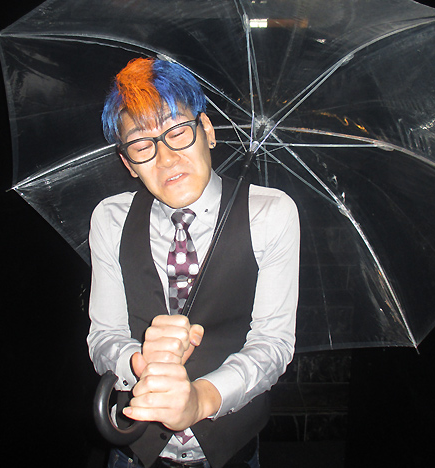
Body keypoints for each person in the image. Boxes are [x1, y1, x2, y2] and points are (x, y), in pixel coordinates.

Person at [87, 57, 300, 468]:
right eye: (142, 146)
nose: (166, 158)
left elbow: (273, 343)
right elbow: (104, 336)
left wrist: (200, 400)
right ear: (128, 163)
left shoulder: (270, 213)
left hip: (232, 453)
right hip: (133, 452)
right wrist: (138, 362)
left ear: (207, 130)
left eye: (178, 132)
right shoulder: (110, 219)